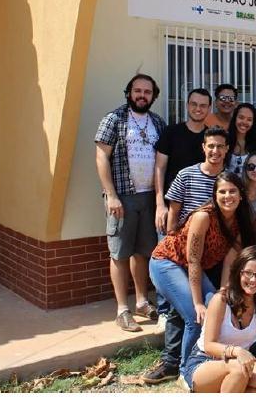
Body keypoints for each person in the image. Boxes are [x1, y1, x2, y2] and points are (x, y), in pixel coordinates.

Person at [147, 172, 255, 382]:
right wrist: (197, 303)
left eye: (232, 191)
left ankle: (201, 360)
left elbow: (229, 261)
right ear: (214, 195)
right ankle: (187, 372)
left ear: (241, 195)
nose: (227, 196)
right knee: (196, 316)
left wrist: (223, 294)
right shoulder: (203, 216)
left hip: (192, 269)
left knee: (215, 308)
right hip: (167, 262)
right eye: (221, 192)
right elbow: (193, 261)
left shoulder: (239, 221)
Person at [95, 73, 166, 332]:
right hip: (122, 197)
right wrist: (110, 194)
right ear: (129, 93)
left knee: (143, 252)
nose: (142, 95)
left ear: (153, 96)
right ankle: (122, 309)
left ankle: (141, 301)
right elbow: (101, 157)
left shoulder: (158, 122)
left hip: (149, 197)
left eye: (147, 92)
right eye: (138, 91)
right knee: (119, 253)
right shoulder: (113, 119)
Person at [181, 246, 256, 393]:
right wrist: (237, 351)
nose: (253, 279)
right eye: (248, 273)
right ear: (238, 272)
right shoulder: (221, 299)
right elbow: (209, 345)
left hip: (239, 364)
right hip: (205, 362)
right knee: (239, 369)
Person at [154, 87, 210, 235]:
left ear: (209, 108)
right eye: (194, 104)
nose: (198, 109)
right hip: (171, 208)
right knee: (168, 254)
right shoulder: (171, 132)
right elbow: (159, 168)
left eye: (203, 105)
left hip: (202, 210)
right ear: (187, 105)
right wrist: (160, 204)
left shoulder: (211, 138)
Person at [164, 127, 229, 233]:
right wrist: (171, 241)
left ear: (227, 148)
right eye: (211, 146)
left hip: (218, 238)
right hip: (186, 236)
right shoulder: (185, 175)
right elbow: (173, 213)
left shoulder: (231, 179)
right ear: (204, 147)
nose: (215, 151)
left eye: (220, 146)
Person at [225, 103, 256, 177]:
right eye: (241, 117)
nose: (244, 122)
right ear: (235, 118)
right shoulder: (224, 140)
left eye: (249, 119)